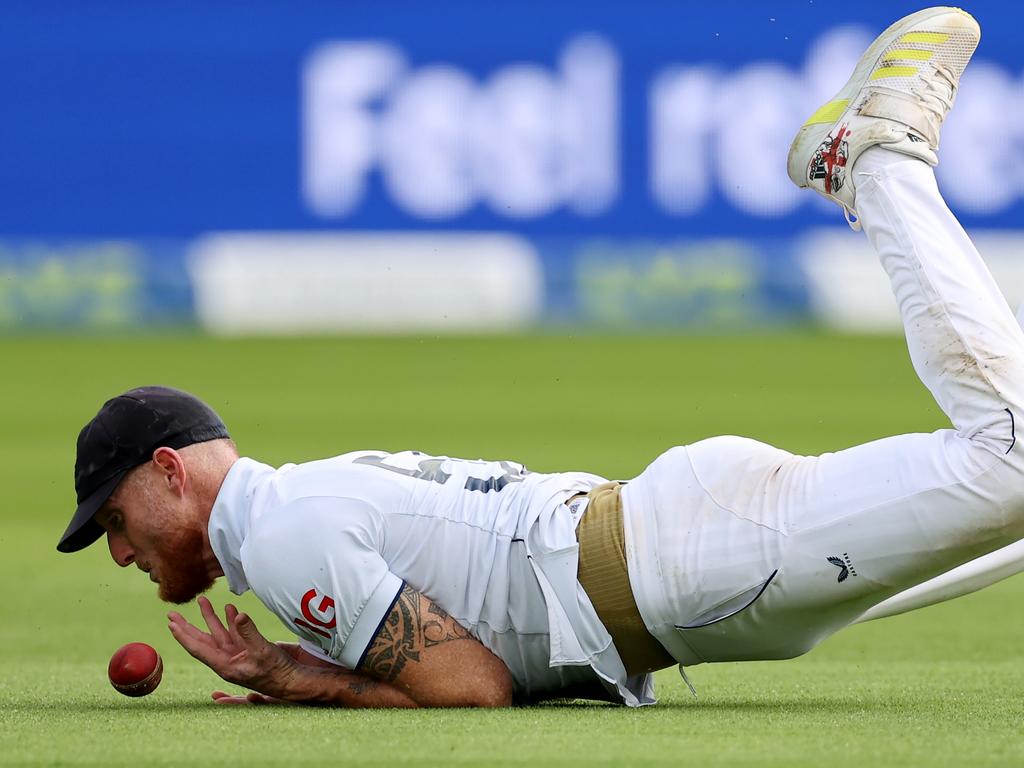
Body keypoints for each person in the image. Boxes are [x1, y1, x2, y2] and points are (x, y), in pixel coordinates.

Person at [58, 7, 1024, 708]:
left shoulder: (275, 538)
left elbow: (470, 687)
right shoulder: (293, 506)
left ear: (169, 471)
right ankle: (870, 164)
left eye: (112, 516)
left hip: (688, 562)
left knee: (1010, 455)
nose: (117, 549)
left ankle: (875, 161)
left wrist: (293, 676)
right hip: (682, 570)